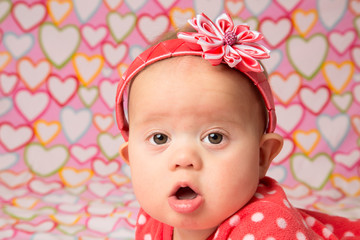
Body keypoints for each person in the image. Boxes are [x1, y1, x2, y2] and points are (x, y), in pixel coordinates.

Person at [115, 13, 360, 240]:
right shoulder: (153, 218)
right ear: (131, 158)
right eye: (159, 138)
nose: (184, 158)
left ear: (261, 156)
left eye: (214, 137)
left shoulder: (268, 227)